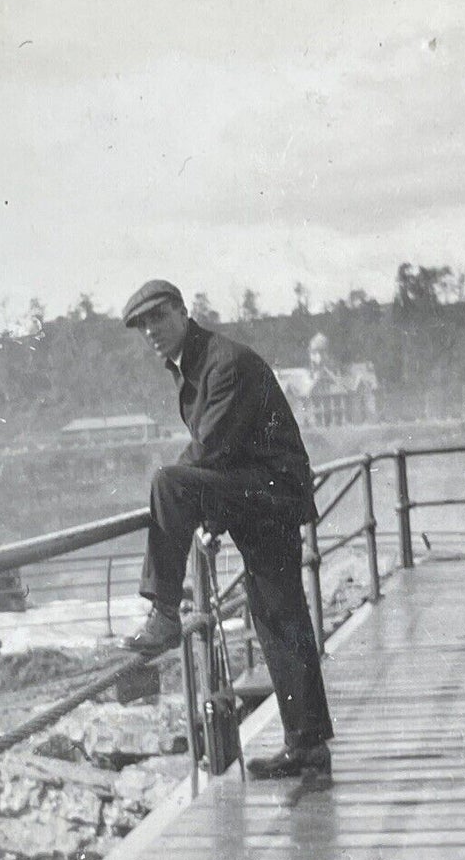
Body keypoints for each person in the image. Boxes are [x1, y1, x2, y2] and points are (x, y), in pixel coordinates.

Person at [119, 278, 334, 778]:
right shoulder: (194, 366)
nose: (151, 331)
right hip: (261, 493)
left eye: (158, 318)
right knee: (278, 617)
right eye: (143, 325)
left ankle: (164, 613)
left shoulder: (224, 362)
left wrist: (191, 501)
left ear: (182, 312)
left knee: (168, 482)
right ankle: (308, 746)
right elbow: (227, 451)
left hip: (271, 494)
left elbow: (211, 447)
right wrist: (210, 513)